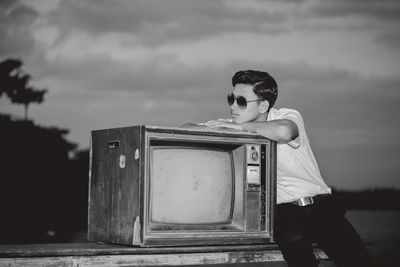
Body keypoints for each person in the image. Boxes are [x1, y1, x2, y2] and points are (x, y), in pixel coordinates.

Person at [183, 70, 372, 267]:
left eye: (241, 101)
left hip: (321, 207)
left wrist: (241, 128)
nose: (232, 106)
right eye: (231, 98)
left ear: (263, 105)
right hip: (283, 213)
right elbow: (186, 129)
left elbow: (284, 132)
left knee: (358, 261)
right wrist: (222, 129)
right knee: (296, 249)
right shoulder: (232, 125)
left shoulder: (287, 116)